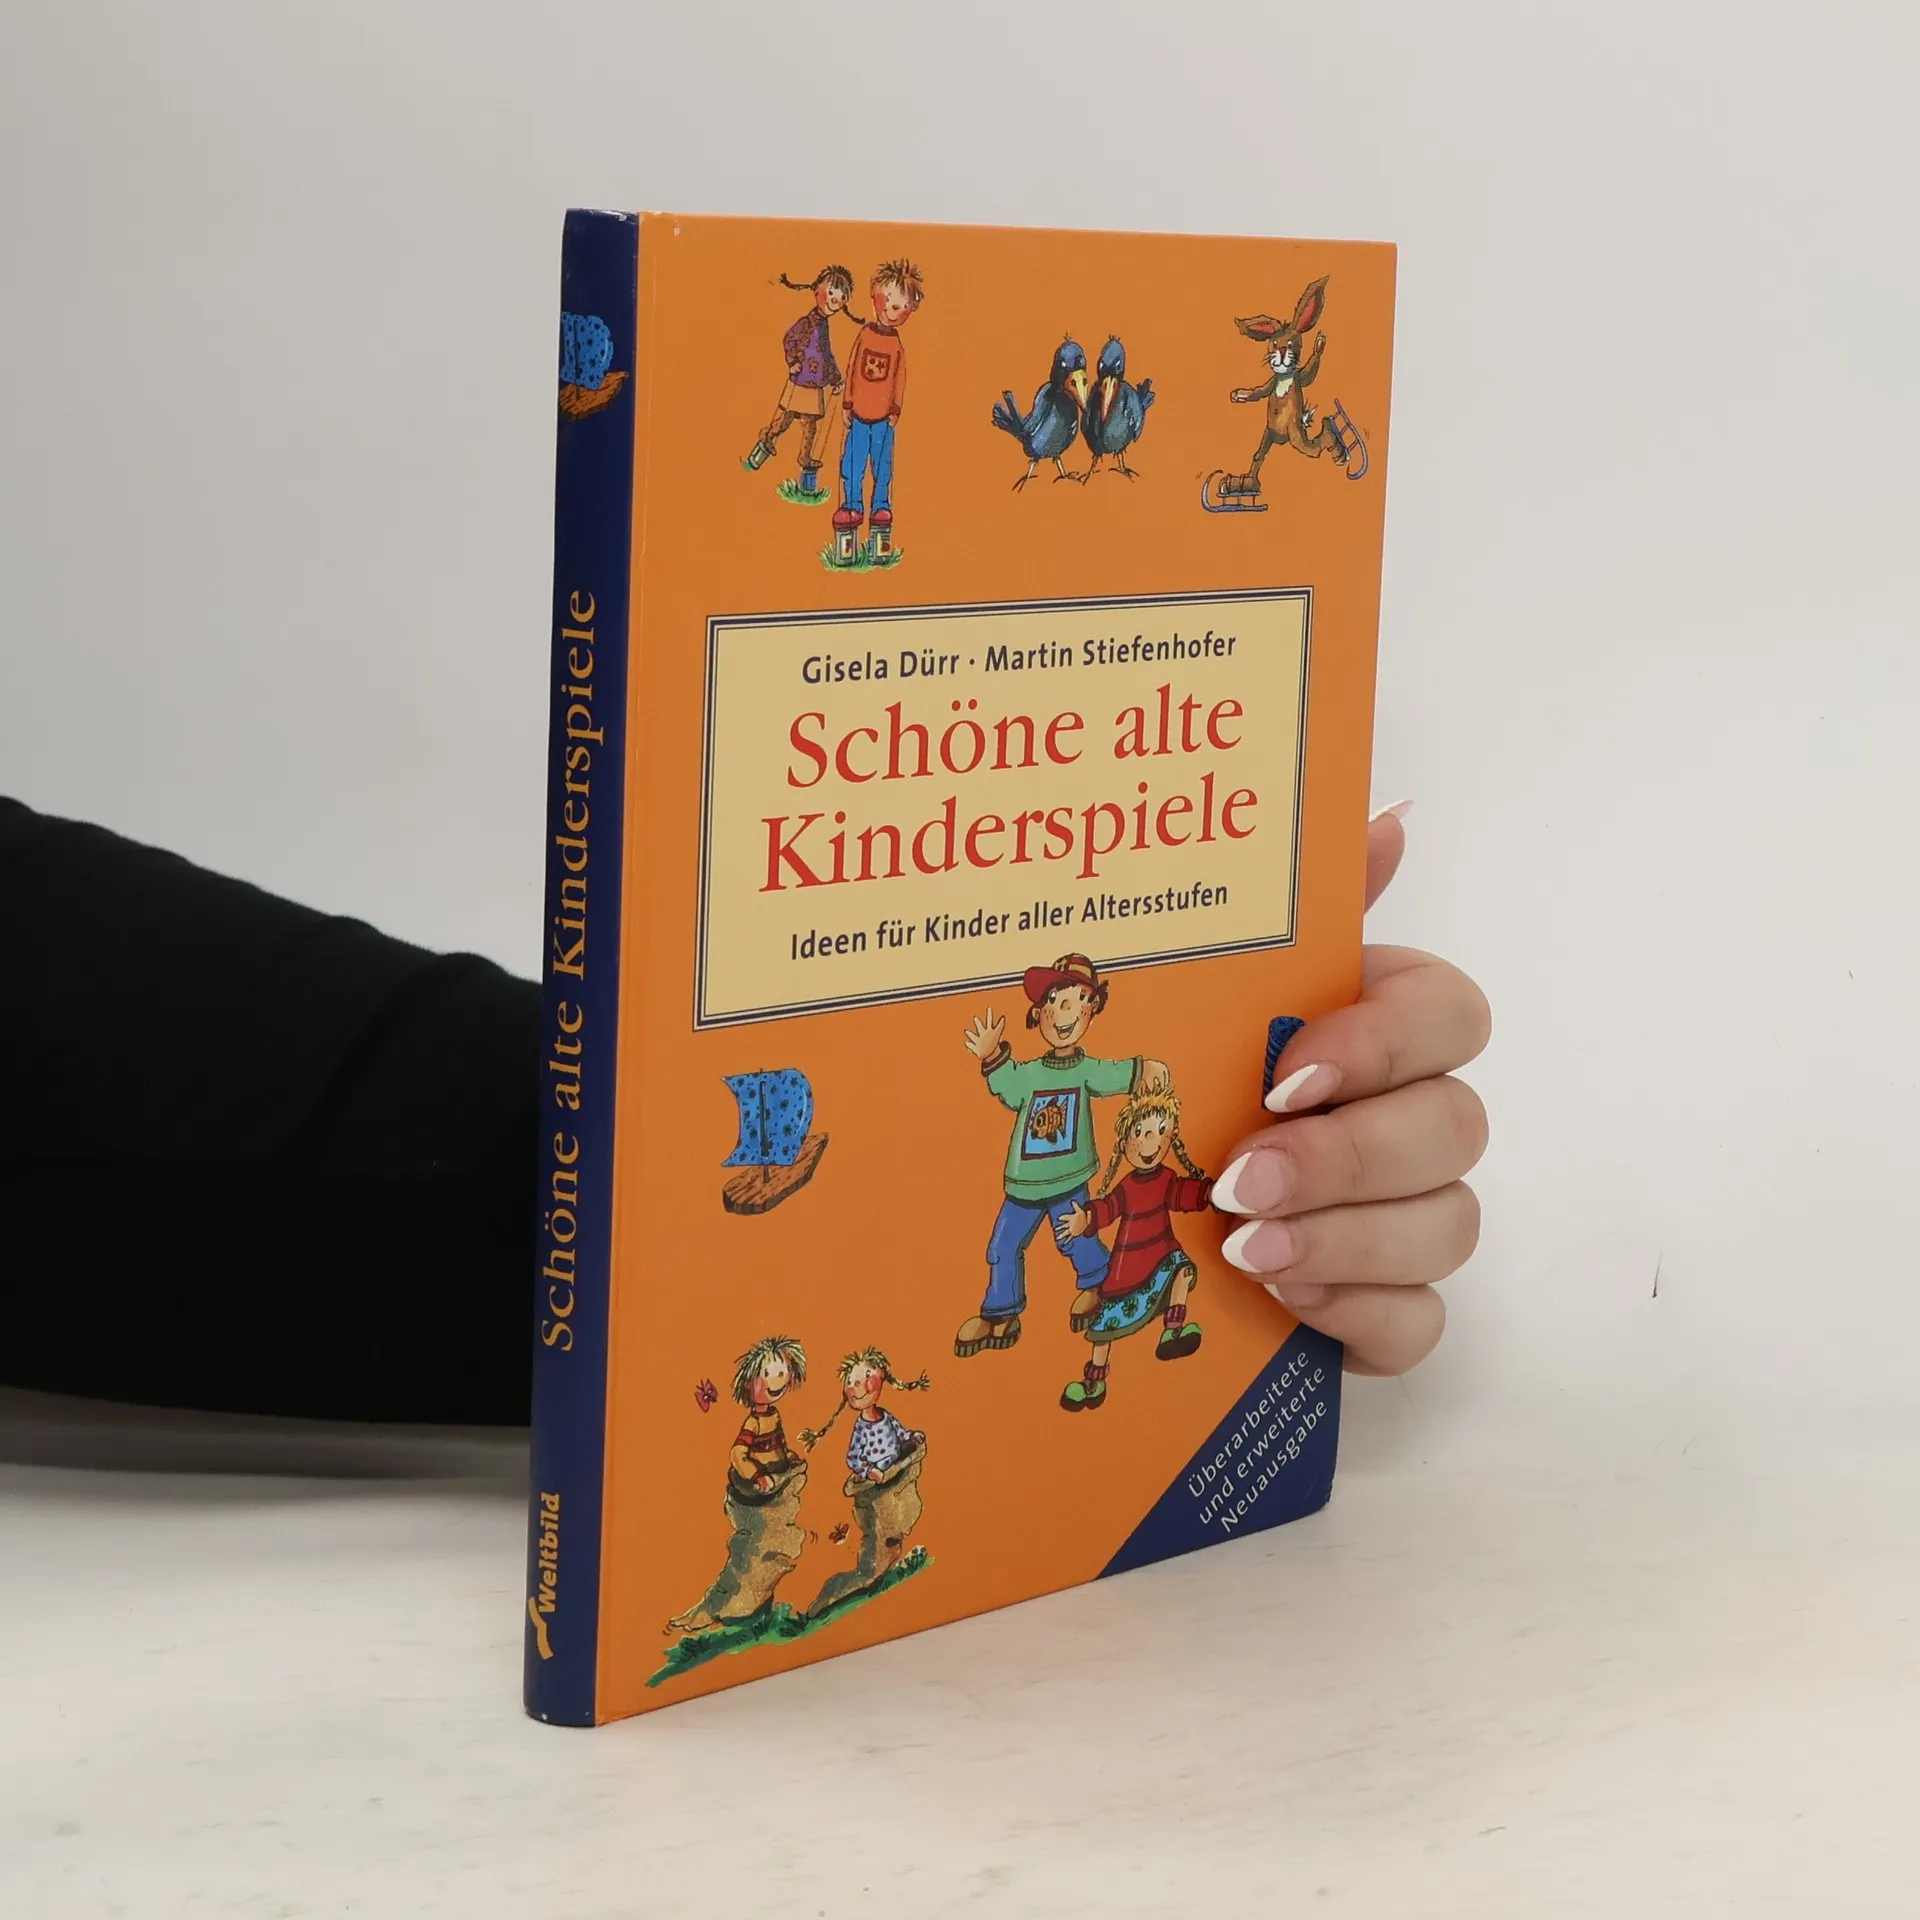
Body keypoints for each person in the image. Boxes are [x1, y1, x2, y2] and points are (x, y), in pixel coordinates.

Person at [0, 795, 1484, 1419]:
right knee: (1011, 1260)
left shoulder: (1082, 1073)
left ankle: (1110, 1329)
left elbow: (406, 1121)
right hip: (1010, 1201)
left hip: (1041, 1214)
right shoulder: (1038, 1069)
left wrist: (1226, 1084)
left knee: (1087, 1260)